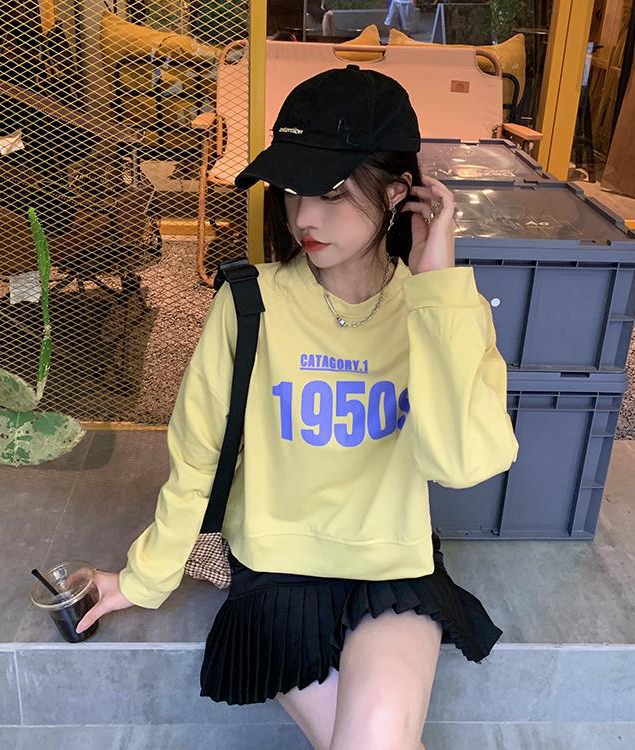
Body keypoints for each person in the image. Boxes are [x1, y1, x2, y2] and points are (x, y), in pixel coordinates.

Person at [76, 64, 520, 749]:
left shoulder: (439, 310)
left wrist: (436, 288)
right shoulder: (248, 302)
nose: (304, 217)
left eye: (332, 193)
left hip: (389, 565)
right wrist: (143, 577)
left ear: (398, 193)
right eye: (292, 192)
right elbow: (197, 459)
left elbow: (461, 464)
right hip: (276, 569)